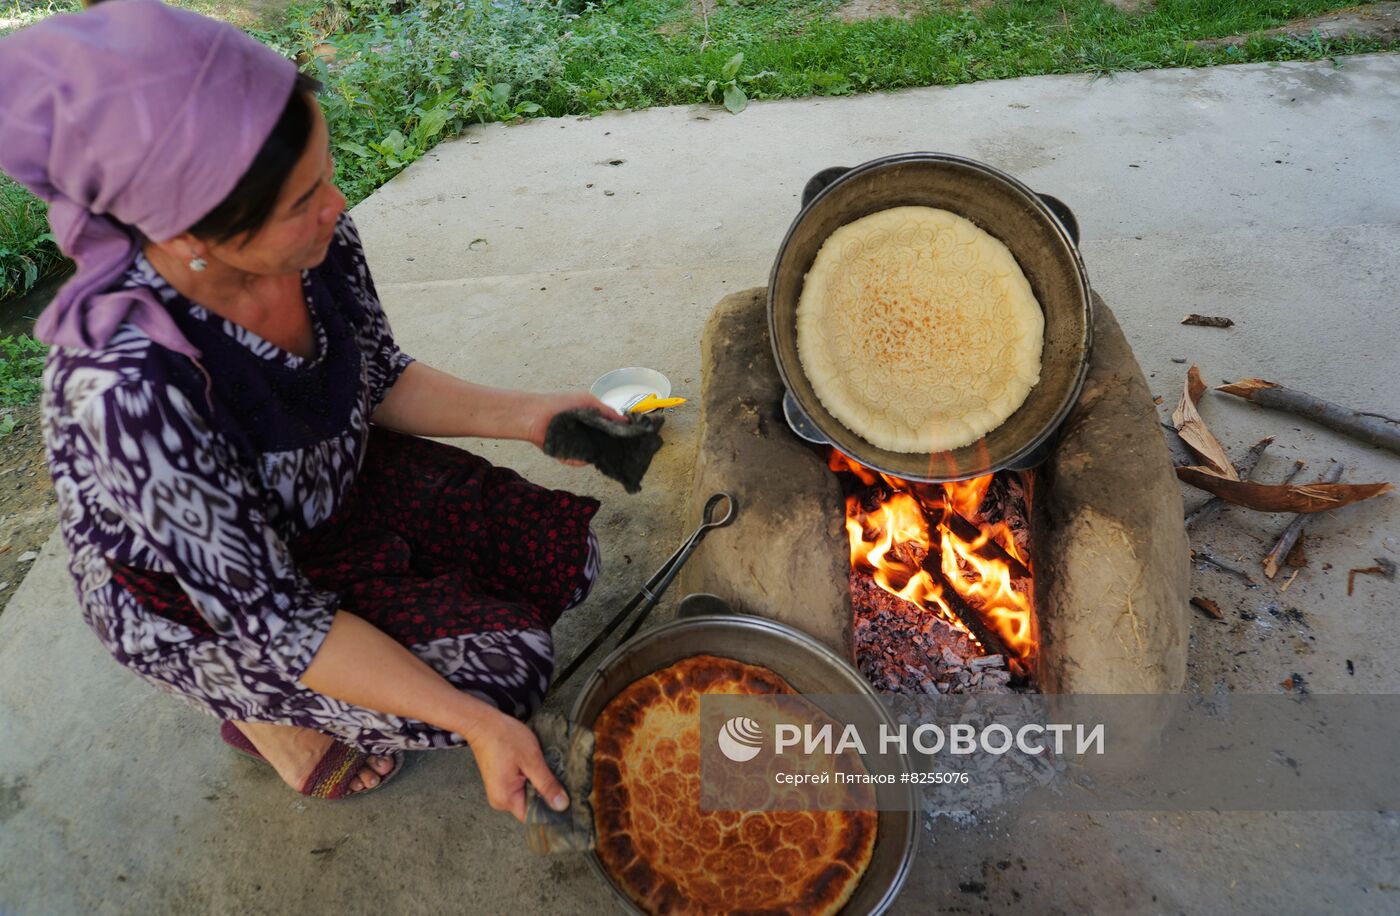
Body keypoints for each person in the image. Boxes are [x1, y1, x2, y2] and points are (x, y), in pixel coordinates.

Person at [0, 0, 624, 816]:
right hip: (208, 593)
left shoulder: (315, 241)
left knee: (565, 557)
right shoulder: (127, 387)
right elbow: (279, 620)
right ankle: (256, 714)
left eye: (325, 173)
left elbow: (378, 375)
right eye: (301, 200)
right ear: (187, 230)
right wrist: (475, 725)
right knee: (501, 677)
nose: (335, 203)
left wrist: (534, 415)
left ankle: (336, 664)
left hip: (325, 489)